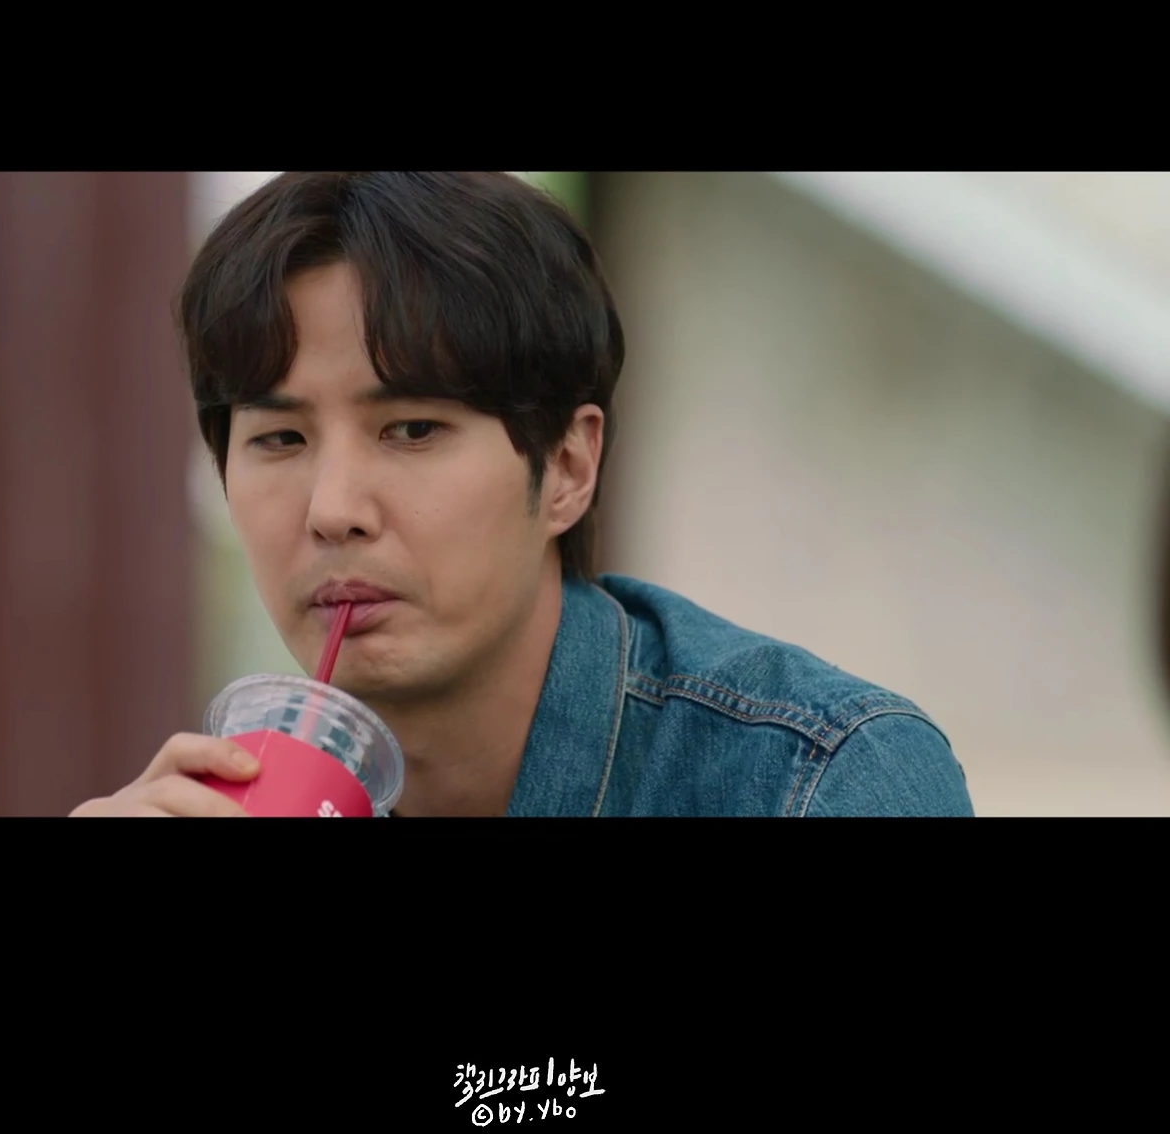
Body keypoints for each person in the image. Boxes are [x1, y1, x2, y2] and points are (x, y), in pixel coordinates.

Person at [71, 171, 974, 817]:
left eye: (412, 430)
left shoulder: (817, 780)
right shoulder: (224, 792)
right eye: (280, 439)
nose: (333, 509)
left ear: (569, 468)